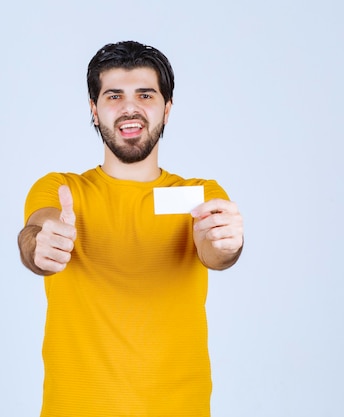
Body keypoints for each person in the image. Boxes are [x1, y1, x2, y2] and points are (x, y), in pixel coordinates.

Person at [18, 40, 244, 417]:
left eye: (145, 94)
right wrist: (41, 242)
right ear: (94, 110)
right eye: (113, 96)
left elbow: (216, 252)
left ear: (167, 110)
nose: (129, 107)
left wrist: (226, 243)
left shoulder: (199, 195)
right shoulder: (60, 189)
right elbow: (37, 231)